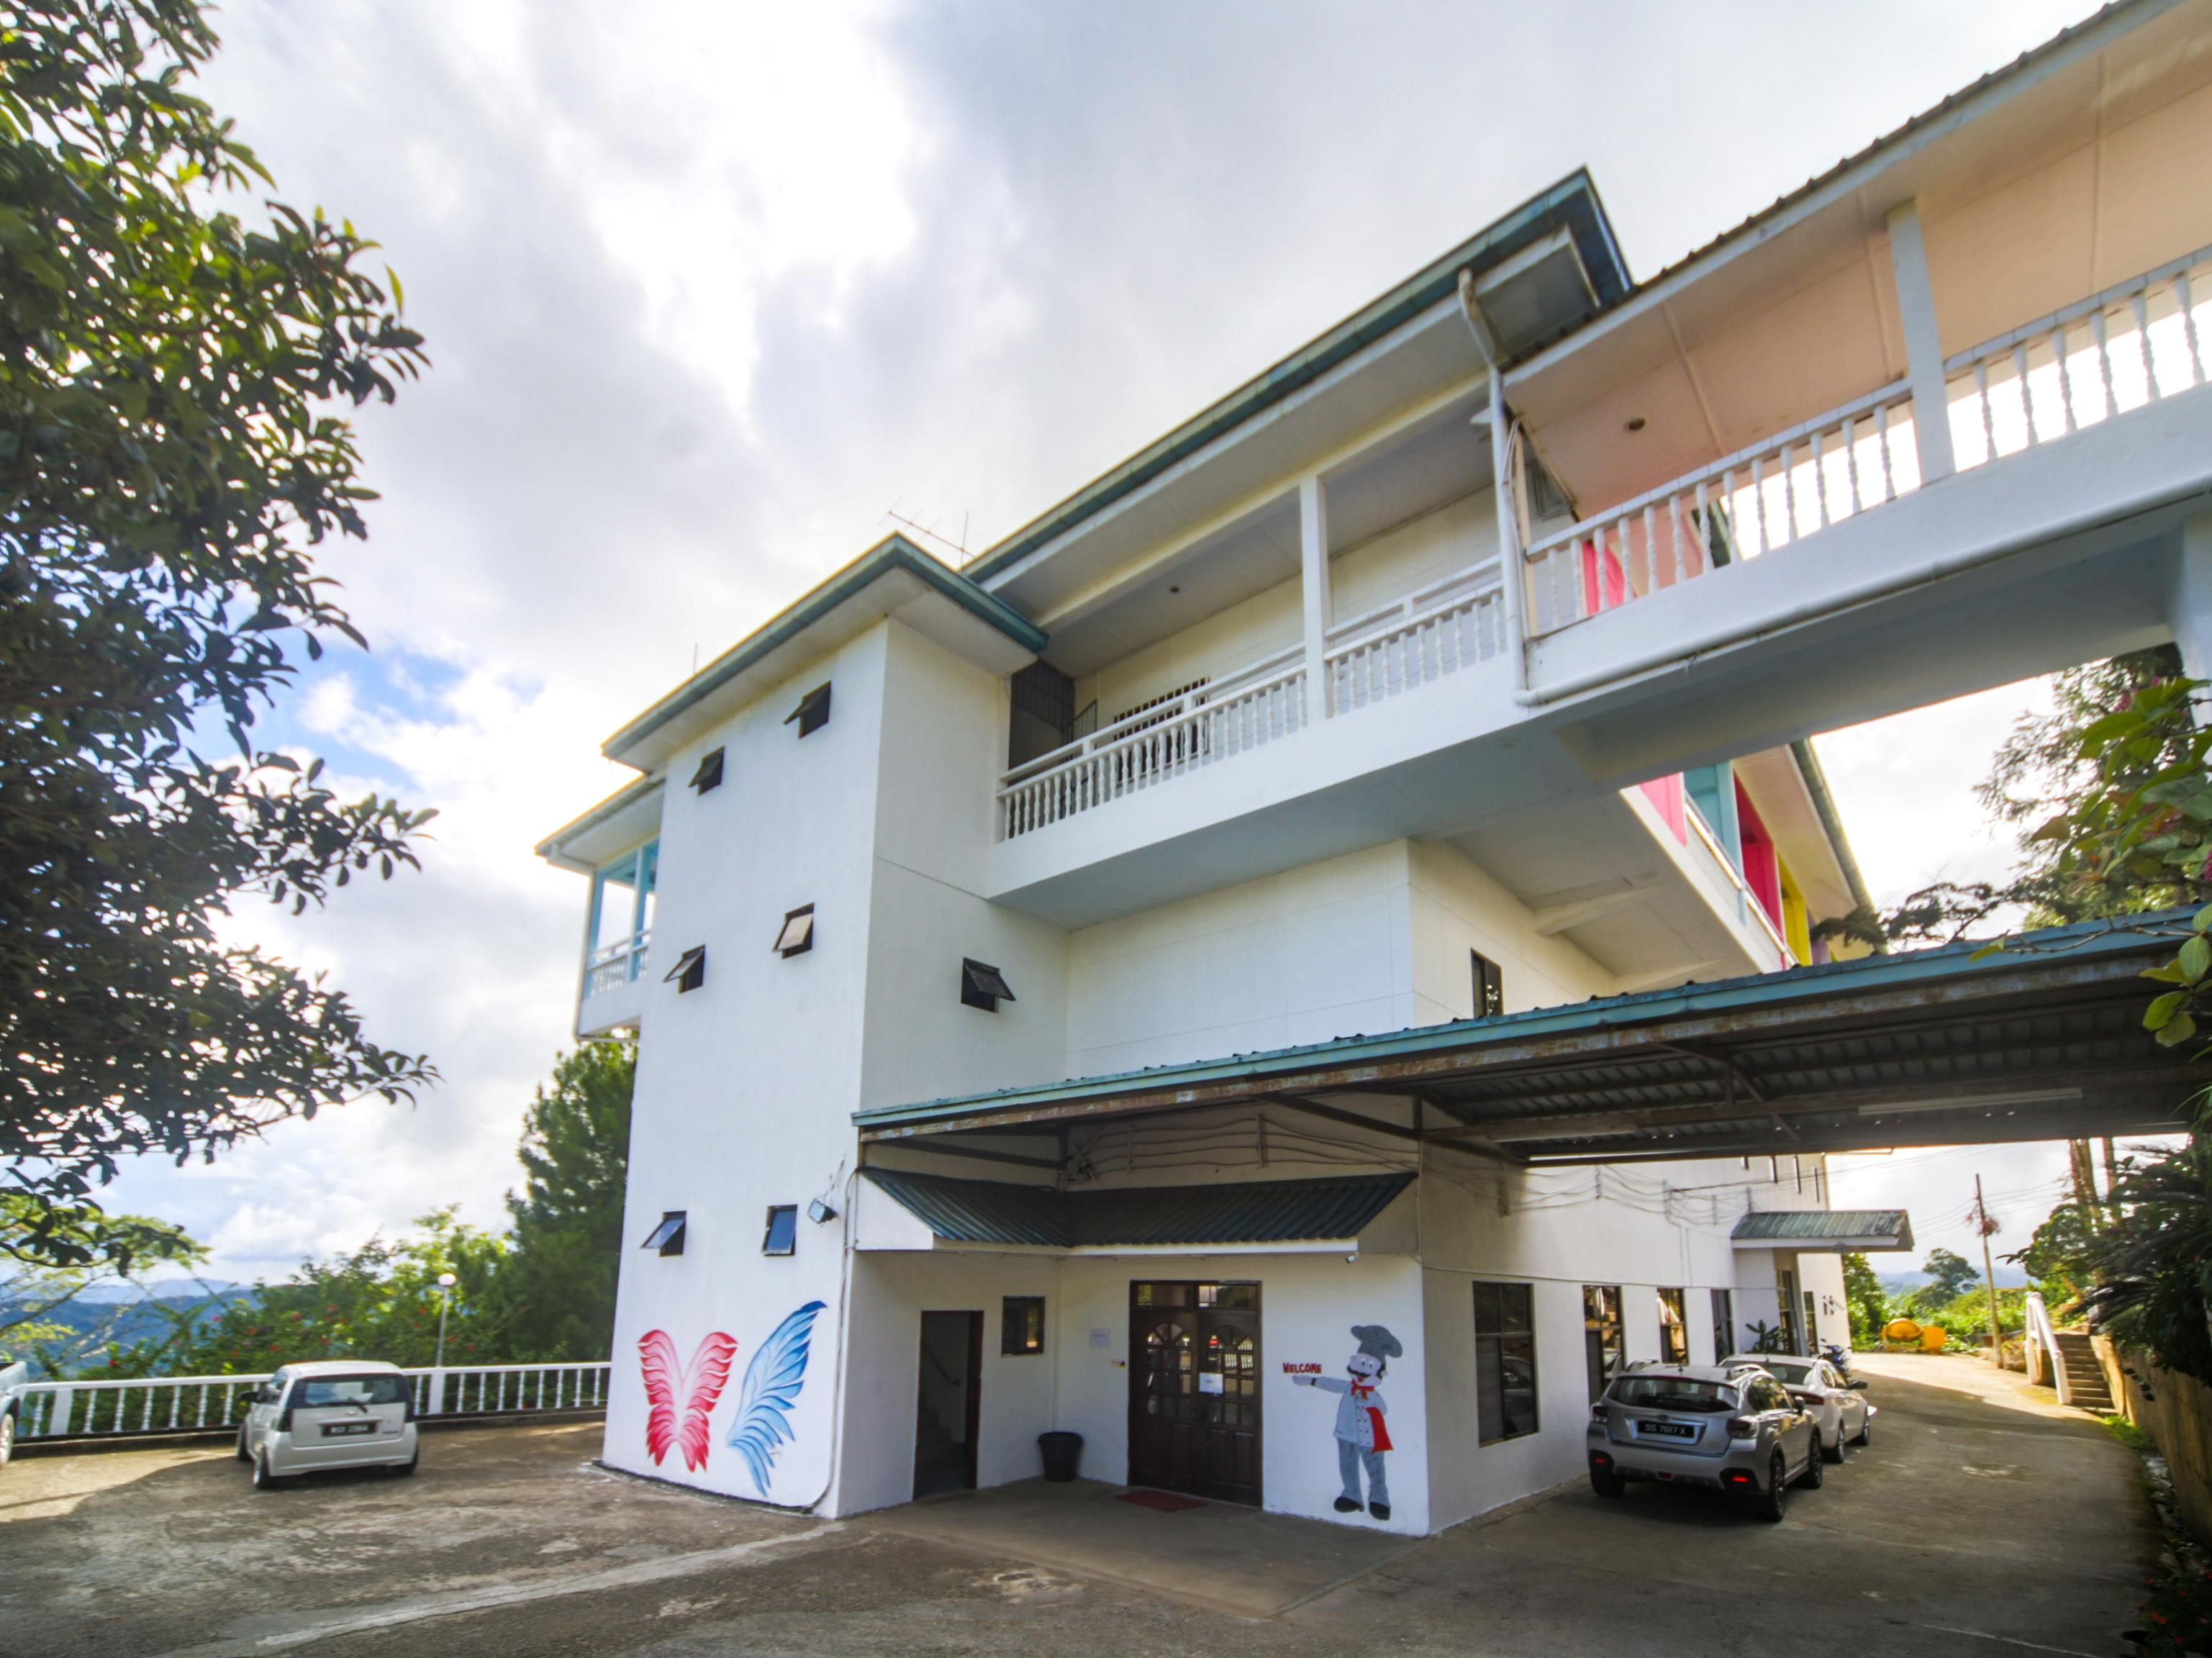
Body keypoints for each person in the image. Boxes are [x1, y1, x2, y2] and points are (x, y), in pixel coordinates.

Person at [1292, 1323, 1401, 1521]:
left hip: (1371, 1437)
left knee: (1375, 1467)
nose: (1361, 1371)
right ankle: (1352, 1495)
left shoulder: (1374, 1395)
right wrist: (1311, 1381)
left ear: (1379, 1372)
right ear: (1353, 1362)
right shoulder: (1348, 1387)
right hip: (1346, 1435)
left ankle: (1379, 1499)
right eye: (1360, 1364)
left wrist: (1373, 1408)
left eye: (1368, 1367)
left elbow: (1383, 1409)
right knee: (1347, 1466)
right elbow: (1332, 1384)